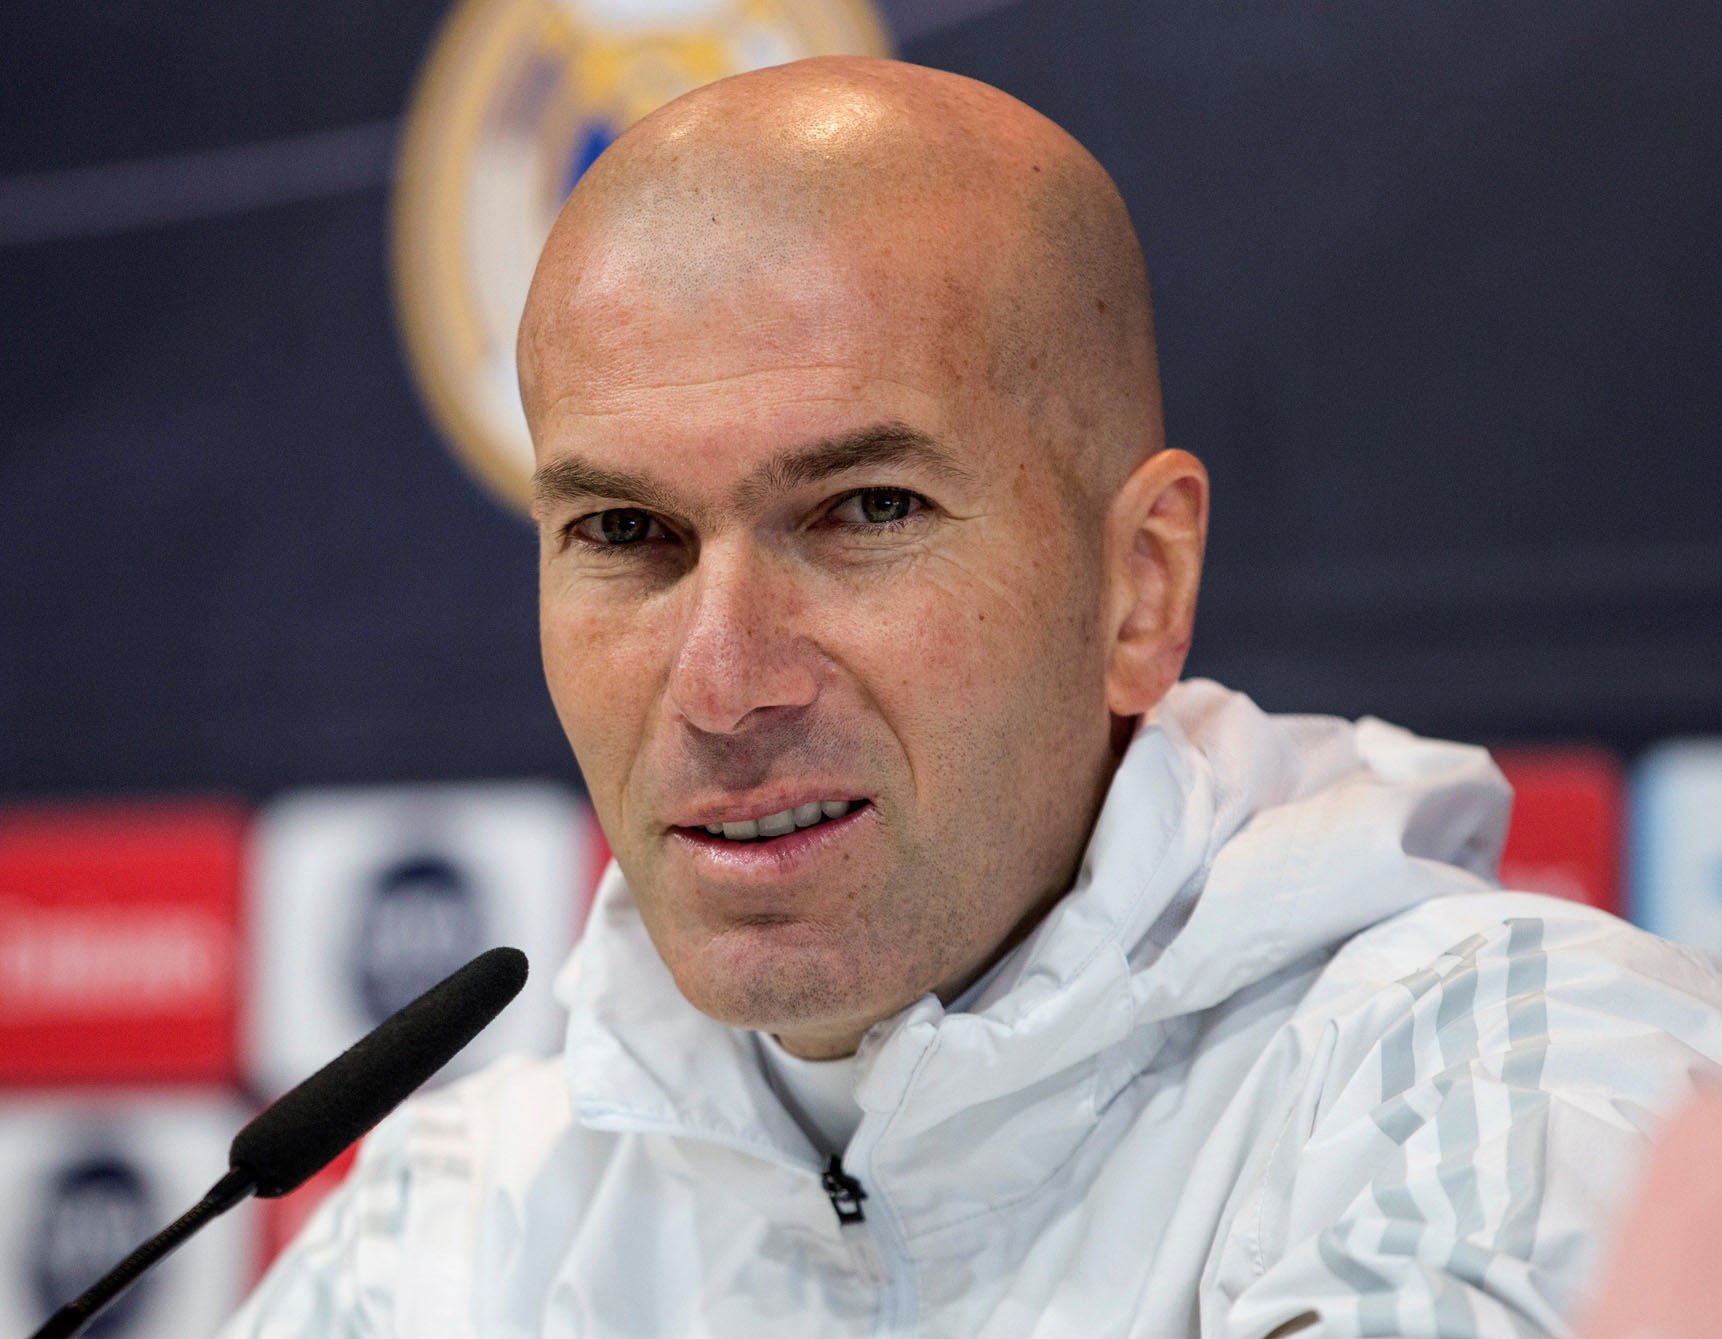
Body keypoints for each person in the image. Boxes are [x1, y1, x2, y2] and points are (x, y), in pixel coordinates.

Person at [222, 57, 1722, 1338]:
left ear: (1137, 586)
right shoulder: (449, 1233)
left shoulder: (1502, 1094)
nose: (724, 683)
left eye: (864, 511)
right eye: (625, 535)